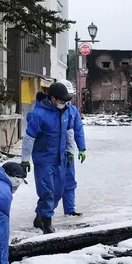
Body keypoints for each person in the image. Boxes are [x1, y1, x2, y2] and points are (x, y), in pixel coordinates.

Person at [22, 81, 80, 234]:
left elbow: (69, 132)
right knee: (47, 191)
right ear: (53, 99)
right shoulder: (38, 114)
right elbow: (29, 138)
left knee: (59, 191)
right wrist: (25, 158)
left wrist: (69, 150)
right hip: (44, 158)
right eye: (62, 100)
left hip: (60, 158)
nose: (65, 103)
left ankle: (39, 215)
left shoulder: (65, 111)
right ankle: (46, 222)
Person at [60, 80, 87, 218]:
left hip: (67, 151)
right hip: (50, 153)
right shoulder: (47, 110)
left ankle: (69, 209)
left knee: (69, 180)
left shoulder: (72, 110)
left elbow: (78, 129)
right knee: (51, 185)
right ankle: (44, 214)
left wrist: (81, 148)